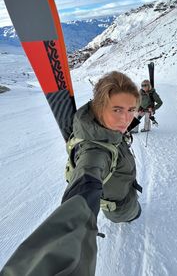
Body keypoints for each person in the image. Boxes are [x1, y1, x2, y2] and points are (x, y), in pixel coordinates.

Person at [0, 71, 142, 276]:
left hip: (125, 188)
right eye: (117, 110)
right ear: (100, 107)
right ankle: (131, 216)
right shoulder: (95, 153)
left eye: (131, 110)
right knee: (133, 214)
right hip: (121, 206)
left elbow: (122, 125)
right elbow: (83, 190)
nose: (126, 119)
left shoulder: (102, 126)